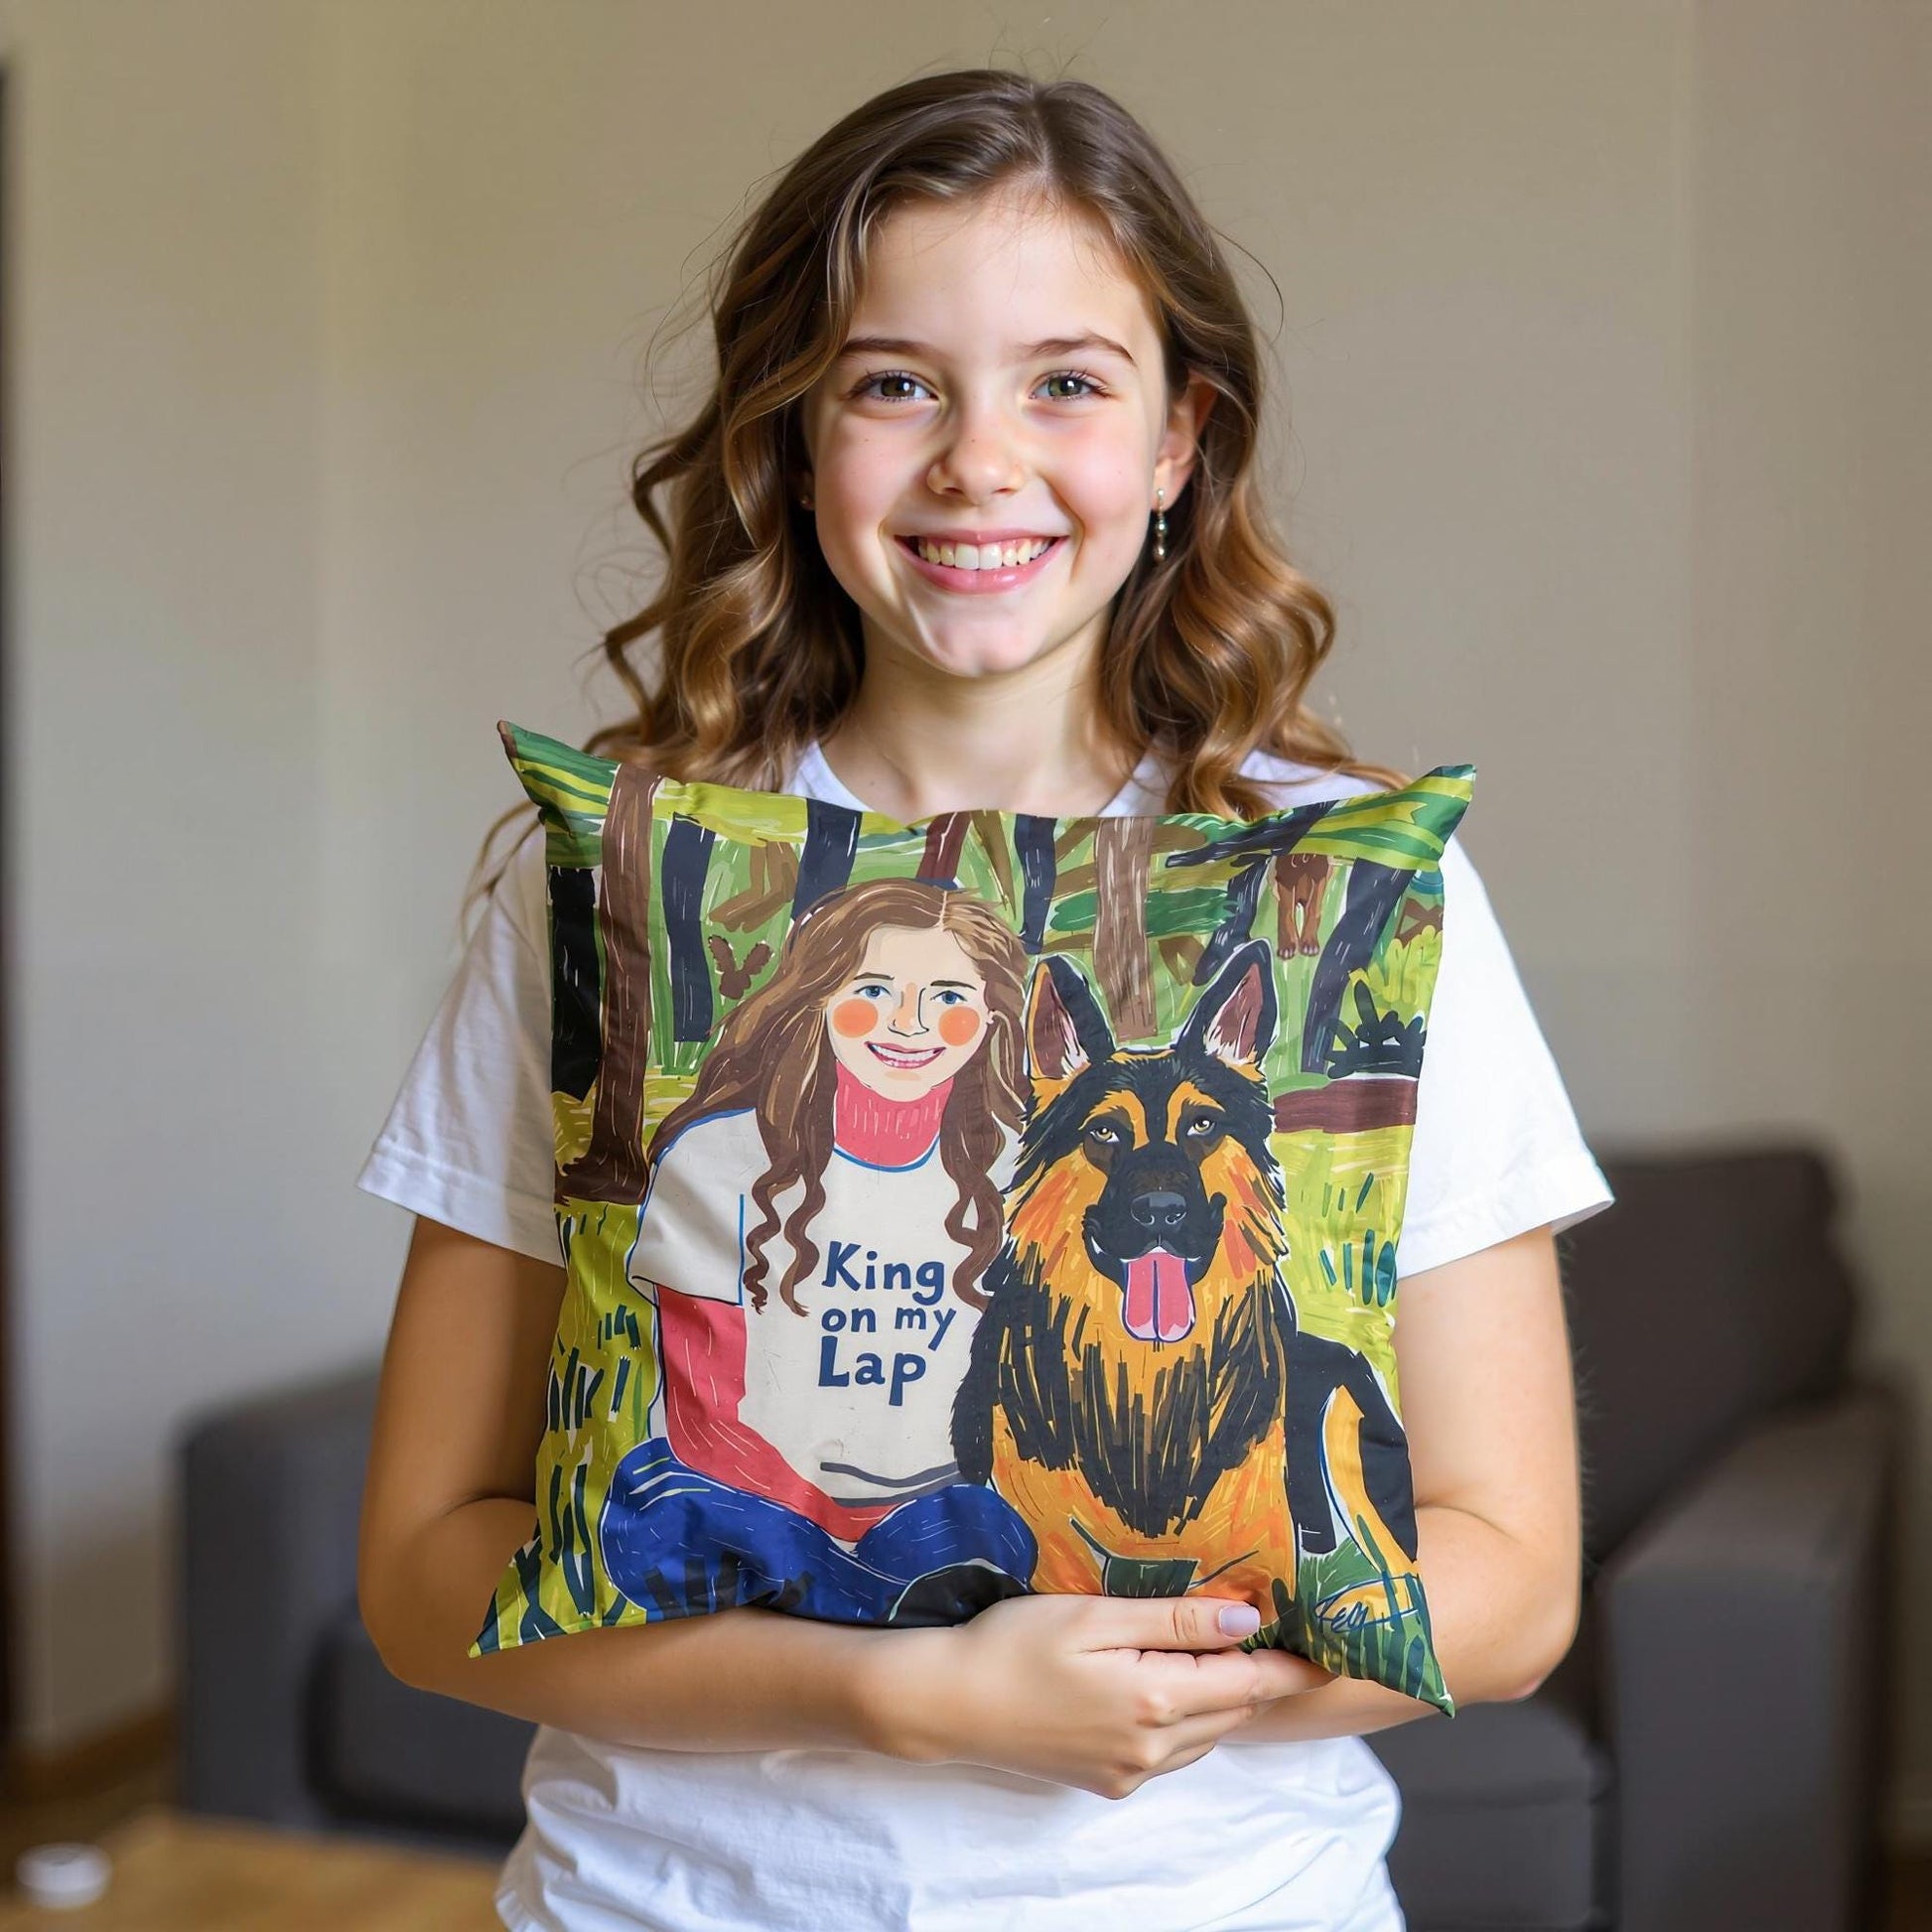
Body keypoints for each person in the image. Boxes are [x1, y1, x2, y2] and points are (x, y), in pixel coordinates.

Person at [354, 68, 1614, 1932]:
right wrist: (907, 1694)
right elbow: (420, 1571)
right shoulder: (624, 892)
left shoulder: (1353, 894)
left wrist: (1135, 1690)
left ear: (1180, 439)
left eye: (1067, 382)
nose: (978, 459)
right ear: (790, 436)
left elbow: (1508, 1587)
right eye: (893, 382)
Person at [604, 876, 1041, 1624]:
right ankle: (884, 1607)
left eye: (948, 999)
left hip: (946, 1509)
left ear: (993, 1017)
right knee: (654, 1520)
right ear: (818, 997)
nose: (910, 1025)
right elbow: (703, 1422)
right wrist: (832, 1529)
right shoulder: (719, 1156)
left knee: (992, 1532)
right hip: (749, 1497)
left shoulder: (1025, 1170)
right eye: (875, 989)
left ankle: (881, 1597)